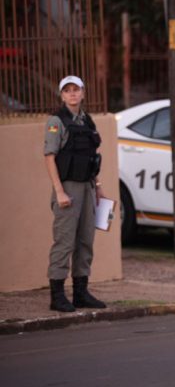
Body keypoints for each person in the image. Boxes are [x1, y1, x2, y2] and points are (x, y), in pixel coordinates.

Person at [43, 75, 107, 312]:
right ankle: (57, 296)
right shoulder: (56, 121)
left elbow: (91, 157)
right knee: (64, 241)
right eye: (67, 90)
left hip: (88, 186)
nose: (72, 94)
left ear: (83, 93)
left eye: (76, 89)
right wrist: (59, 191)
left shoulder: (87, 120)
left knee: (85, 241)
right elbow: (49, 158)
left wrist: (98, 187)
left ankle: (81, 293)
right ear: (61, 95)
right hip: (68, 187)